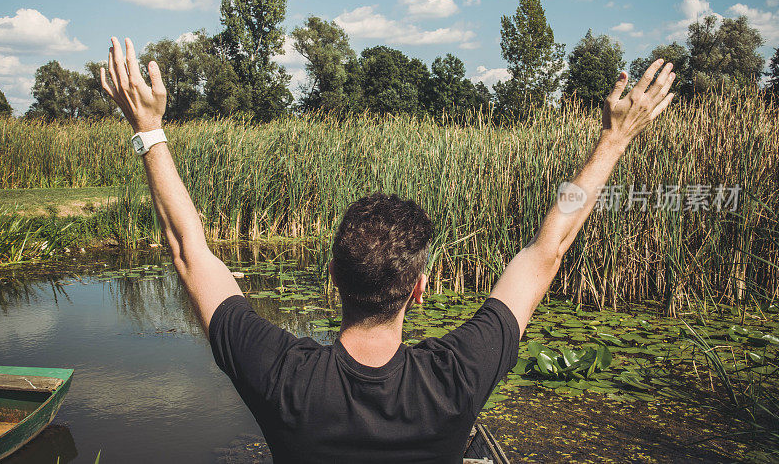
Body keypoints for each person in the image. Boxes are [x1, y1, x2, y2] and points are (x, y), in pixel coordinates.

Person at [100, 37, 675, 463]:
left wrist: (150, 129)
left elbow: (188, 251)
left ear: (333, 278)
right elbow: (548, 250)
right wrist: (614, 139)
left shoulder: (283, 378)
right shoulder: (455, 378)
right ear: (419, 290)